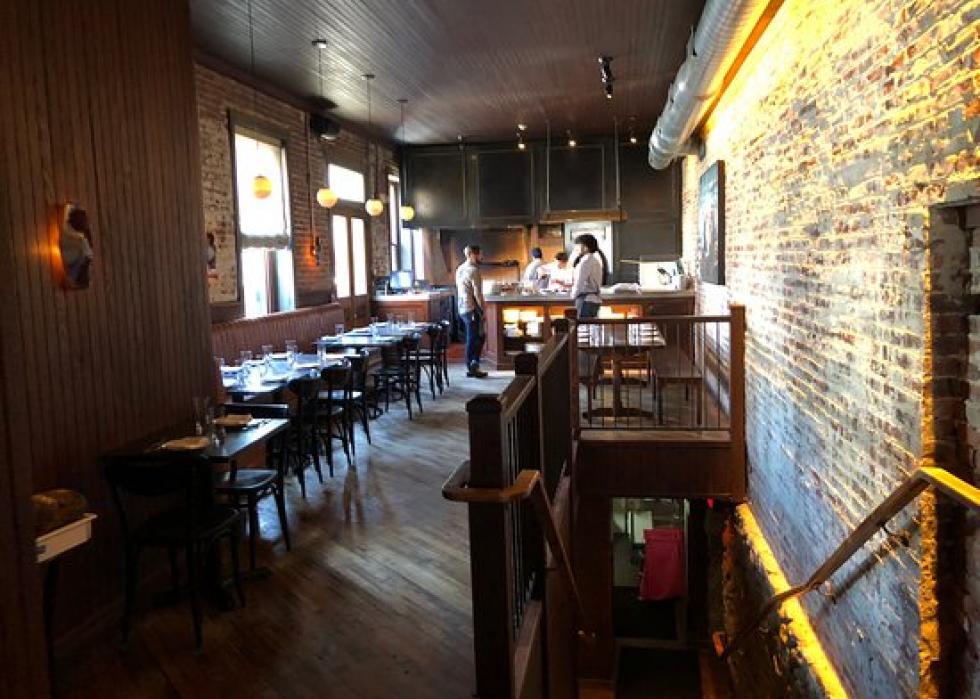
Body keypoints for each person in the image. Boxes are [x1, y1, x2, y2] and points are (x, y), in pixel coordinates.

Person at [455, 244, 488, 378]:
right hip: (471, 308)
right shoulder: (474, 271)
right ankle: (472, 366)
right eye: (480, 254)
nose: (482, 257)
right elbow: (477, 294)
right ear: (472, 255)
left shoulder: (460, 268)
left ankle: (473, 365)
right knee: (475, 337)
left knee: (474, 337)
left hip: (462, 307)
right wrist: (483, 310)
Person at [570, 234, 605, 318]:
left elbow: (579, 282)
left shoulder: (585, 262)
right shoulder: (595, 260)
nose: (575, 248)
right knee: (591, 324)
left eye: (578, 245)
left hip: (585, 299)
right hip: (594, 299)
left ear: (585, 247)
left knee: (583, 324)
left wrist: (573, 295)